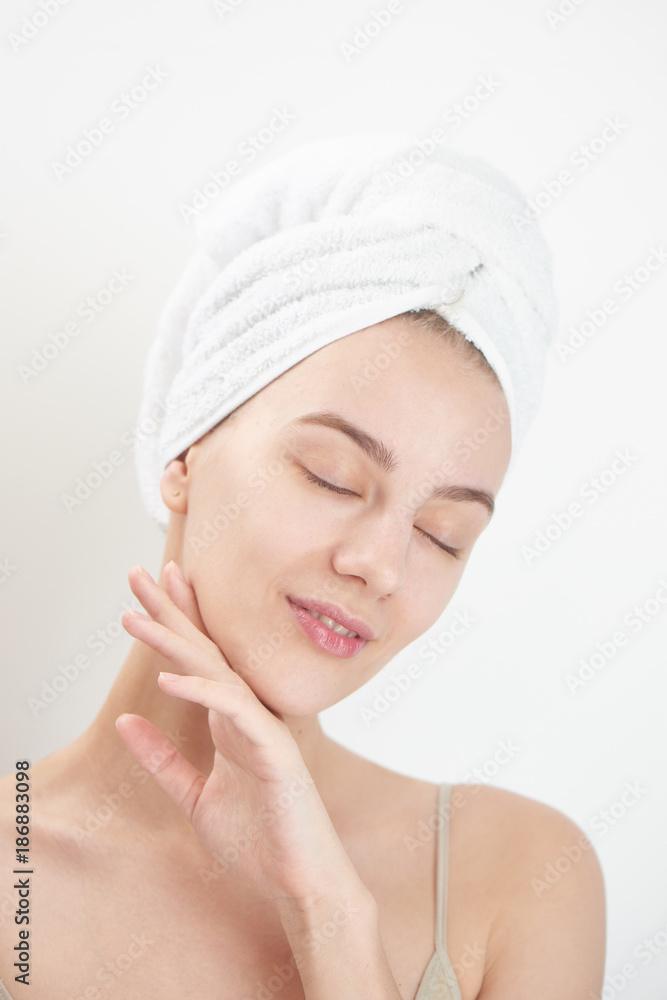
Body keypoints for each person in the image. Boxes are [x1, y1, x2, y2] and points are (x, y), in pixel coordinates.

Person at [0, 134, 606, 999]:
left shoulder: (517, 876)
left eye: (441, 535)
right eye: (332, 475)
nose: (378, 565)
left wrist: (327, 911)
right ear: (186, 448)